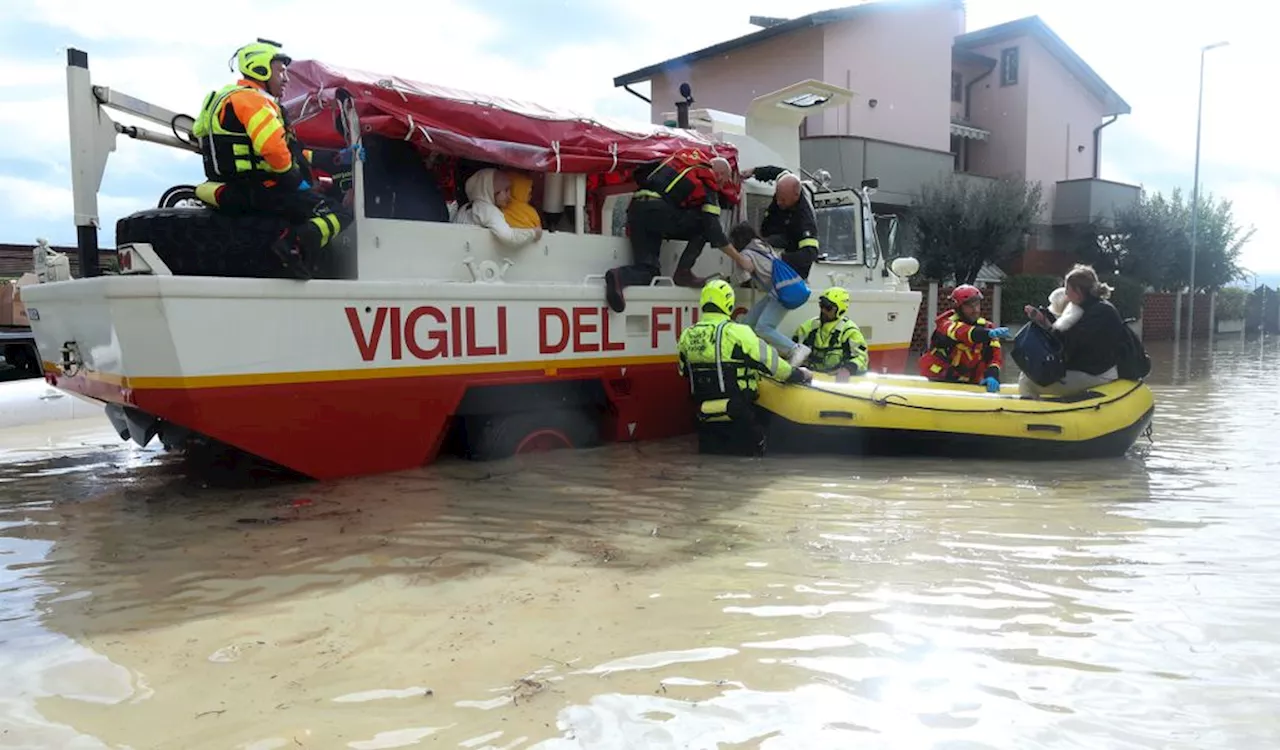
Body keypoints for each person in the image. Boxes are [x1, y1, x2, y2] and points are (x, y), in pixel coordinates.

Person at [191, 39, 351, 280]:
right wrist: (296, 182)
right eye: (281, 71)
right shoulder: (254, 101)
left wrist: (330, 159)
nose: (286, 78)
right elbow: (275, 152)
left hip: (229, 187)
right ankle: (292, 246)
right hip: (260, 188)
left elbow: (283, 151)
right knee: (338, 213)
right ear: (260, 69)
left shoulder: (222, 98)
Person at [677, 279, 813, 456]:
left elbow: (683, 371)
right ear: (728, 303)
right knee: (749, 464)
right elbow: (774, 365)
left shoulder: (687, 336)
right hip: (738, 414)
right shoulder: (738, 332)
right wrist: (798, 374)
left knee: (711, 463)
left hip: (704, 416)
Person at [605, 150, 751, 313]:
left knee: (649, 271)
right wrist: (740, 259)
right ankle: (683, 272)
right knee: (704, 224)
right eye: (724, 181)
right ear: (719, 174)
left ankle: (618, 276)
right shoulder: (707, 181)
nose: (722, 186)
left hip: (636, 211)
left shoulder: (675, 165)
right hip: (658, 212)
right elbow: (714, 231)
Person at [1018, 264, 1130, 398]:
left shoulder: (1098, 313)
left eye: (1067, 289)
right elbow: (1067, 339)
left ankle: (1034, 416)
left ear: (1078, 290)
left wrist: (1046, 324)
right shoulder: (1093, 307)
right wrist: (1043, 320)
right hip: (1093, 369)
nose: (1065, 293)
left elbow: (1067, 344)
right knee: (1037, 373)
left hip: (1097, 374)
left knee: (1026, 380)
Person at [728, 223, 812, 367]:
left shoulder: (745, 254)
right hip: (781, 289)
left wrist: (726, 280)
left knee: (763, 327)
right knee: (748, 325)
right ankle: (752, 355)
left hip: (779, 293)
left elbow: (743, 278)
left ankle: (795, 349)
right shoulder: (764, 246)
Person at [918, 284, 1011, 392]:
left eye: (977, 305)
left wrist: (992, 374)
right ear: (959, 308)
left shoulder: (987, 327)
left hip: (968, 382)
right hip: (940, 379)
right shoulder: (946, 324)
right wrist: (988, 334)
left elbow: (995, 356)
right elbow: (962, 332)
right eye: (969, 306)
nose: (975, 310)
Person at [746, 167, 821, 279]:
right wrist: (755, 172)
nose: (779, 202)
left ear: (796, 195)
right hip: (772, 233)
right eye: (778, 197)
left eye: (783, 200)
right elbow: (778, 172)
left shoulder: (805, 219)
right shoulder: (787, 183)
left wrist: (780, 258)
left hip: (787, 249)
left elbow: (810, 253)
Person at [792, 287, 869, 379]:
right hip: (809, 377)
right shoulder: (807, 327)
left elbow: (862, 358)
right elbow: (792, 351)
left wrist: (847, 369)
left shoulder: (850, 332)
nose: (823, 310)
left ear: (840, 310)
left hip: (834, 380)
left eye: (828, 308)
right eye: (821, 305)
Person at [453, 168, 543, 248]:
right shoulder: (489, 211)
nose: (509, 196)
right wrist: (534, 233)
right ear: (491, 191)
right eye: (506, 190)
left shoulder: (465, 208)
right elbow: (509, 237)